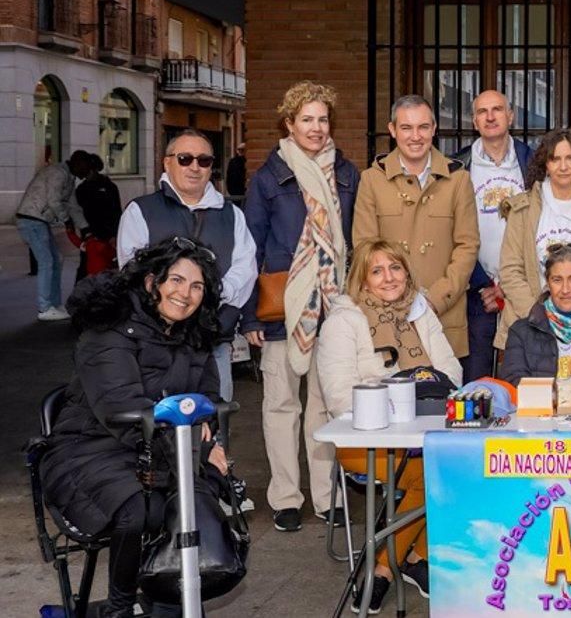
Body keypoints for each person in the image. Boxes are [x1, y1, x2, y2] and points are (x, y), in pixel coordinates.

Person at [39, 238, 231, 618]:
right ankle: (119, 607)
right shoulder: (108, 330)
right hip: (89, 447)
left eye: (196, 286)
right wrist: (196, 447)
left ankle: (167, 599)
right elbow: (121, 408)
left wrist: (207, 436)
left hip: (162, 447)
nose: (185, 294)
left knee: (192, 505)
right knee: (139, 507)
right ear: (151, 282)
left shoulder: (193, 335)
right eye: (175, 280)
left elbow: (207, 397)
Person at [242, 80, 360, 534]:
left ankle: (327, 496)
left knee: (325, 407)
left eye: (322, 119)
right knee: (281, 405)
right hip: (280, 308)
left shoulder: (346, 174)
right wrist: (250, 313)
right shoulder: (270, 177)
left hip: (333, 304)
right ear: (289, 124)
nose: (316, 127)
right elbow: (248, 247)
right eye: (306, 119)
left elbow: (353, 241)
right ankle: (286, 497)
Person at [318, 240, 462, 609]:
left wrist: (416, 394)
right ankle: (404, 561)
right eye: (377, 270)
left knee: (453, 467)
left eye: (395, 268)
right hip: (363, 440)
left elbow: (452, 373)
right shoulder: (343, 321)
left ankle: (394, 564)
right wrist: (403, 396)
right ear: (362, 279)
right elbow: (338, 397)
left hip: (425, 434)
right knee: (437, 474)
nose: (389, 278)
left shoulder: (420, 312)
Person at [119, 129, 257, 407]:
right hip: (154, 346)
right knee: (158, 426)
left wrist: (211, 298)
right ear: (167, 162)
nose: (195, 167)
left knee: (214, 425)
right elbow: (132, 272)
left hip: (212, 342)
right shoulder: (140, 211)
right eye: (185, 159)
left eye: (204, 160)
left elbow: (246, 267)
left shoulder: (231, 214)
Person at [353, 95, 479, 359]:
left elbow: (467, 246)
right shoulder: (371, 180)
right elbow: (365, 247)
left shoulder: (458, 180)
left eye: (423, 127)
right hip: (386, 315)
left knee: (443, 394)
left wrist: (435, 298)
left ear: (434, 129)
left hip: (444, 312)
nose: (415, 136)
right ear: (392, 130)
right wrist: (394, 296)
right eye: (406, 128)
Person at [495, 129, 571, 352]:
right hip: (529, 325)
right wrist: (540, 317)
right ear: (545, 164)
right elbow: (511, 269)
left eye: (570, 158)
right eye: (555, 159)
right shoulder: (522, 208)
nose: (563, 167)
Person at [450, 90, 534, 383]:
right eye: (482, 111)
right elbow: (452, 230)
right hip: (476, 290)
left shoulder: (533, 163)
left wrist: (508, 286)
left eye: (497, 109)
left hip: (523, 287)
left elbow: (543, 224)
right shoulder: (457, 167)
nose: (490, 116)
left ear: (510, 116)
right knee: (477, 380)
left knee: (521, 377)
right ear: (474, 121)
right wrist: (485, 284)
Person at [499, 243, 571, 384]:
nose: (565, 289)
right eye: (557, 280)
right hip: (542, 406)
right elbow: (514, 383)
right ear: (548, 283)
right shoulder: (520, 332)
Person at [15, 149, 91, 321]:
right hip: (31, 219)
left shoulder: (69, 177)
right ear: (78, 163)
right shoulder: (58, 173)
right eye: (85, 169)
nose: (86, 175)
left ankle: (54, 304)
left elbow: (73, 206)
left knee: (56, 259)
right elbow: (53, 201)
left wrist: (85, 228)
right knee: (47, 261)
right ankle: (44, 307)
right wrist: (66, 220)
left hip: (38, 220)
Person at [70, 153, 122, 281]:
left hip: (97, 233)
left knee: (90, 266)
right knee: (93, 265)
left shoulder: (104, 187)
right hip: (95, 233)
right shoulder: (85, 188)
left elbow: (115, 211)